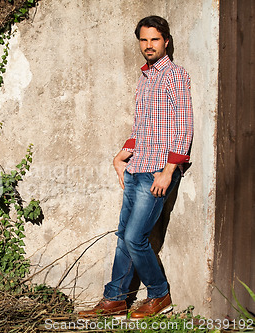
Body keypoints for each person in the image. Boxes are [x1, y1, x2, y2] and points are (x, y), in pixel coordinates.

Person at [79, 16, 193, 319]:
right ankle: (115, 298)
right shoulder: (144, 77)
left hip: (157, 172)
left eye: (154, 40)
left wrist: (169, 171)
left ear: (165, 41)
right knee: (123, 237)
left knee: (134, 237)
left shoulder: (176, 76)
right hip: (136, 168)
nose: (148, 46)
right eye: (143, 40)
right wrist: (122, 155)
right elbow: (144, 126)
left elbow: (183, 127)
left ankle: (159, 293)